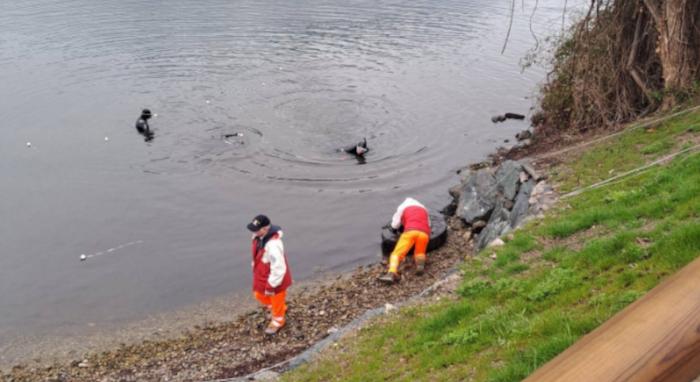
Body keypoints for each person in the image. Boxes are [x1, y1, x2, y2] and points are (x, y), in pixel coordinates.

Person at [247, 214, 292, 335]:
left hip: (275, 278)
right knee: (258, 294)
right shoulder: (258, 237)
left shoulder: (273, 245)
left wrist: (272, 285)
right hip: (262, 274)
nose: (254, 232)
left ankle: (278, 321)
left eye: (256, 230)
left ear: (265, 229)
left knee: (276, 297)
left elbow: (279, 267)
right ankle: (280, 308)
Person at [378, 197, 431, 284]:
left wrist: (395, 229)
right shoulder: (423, 208)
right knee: (419, 252)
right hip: (424, 233)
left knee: (397, 254)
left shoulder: (402, 207)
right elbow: (428, 224)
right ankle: (420, 266)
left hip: (410, 231)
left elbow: (395, 224)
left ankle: (392, 273)